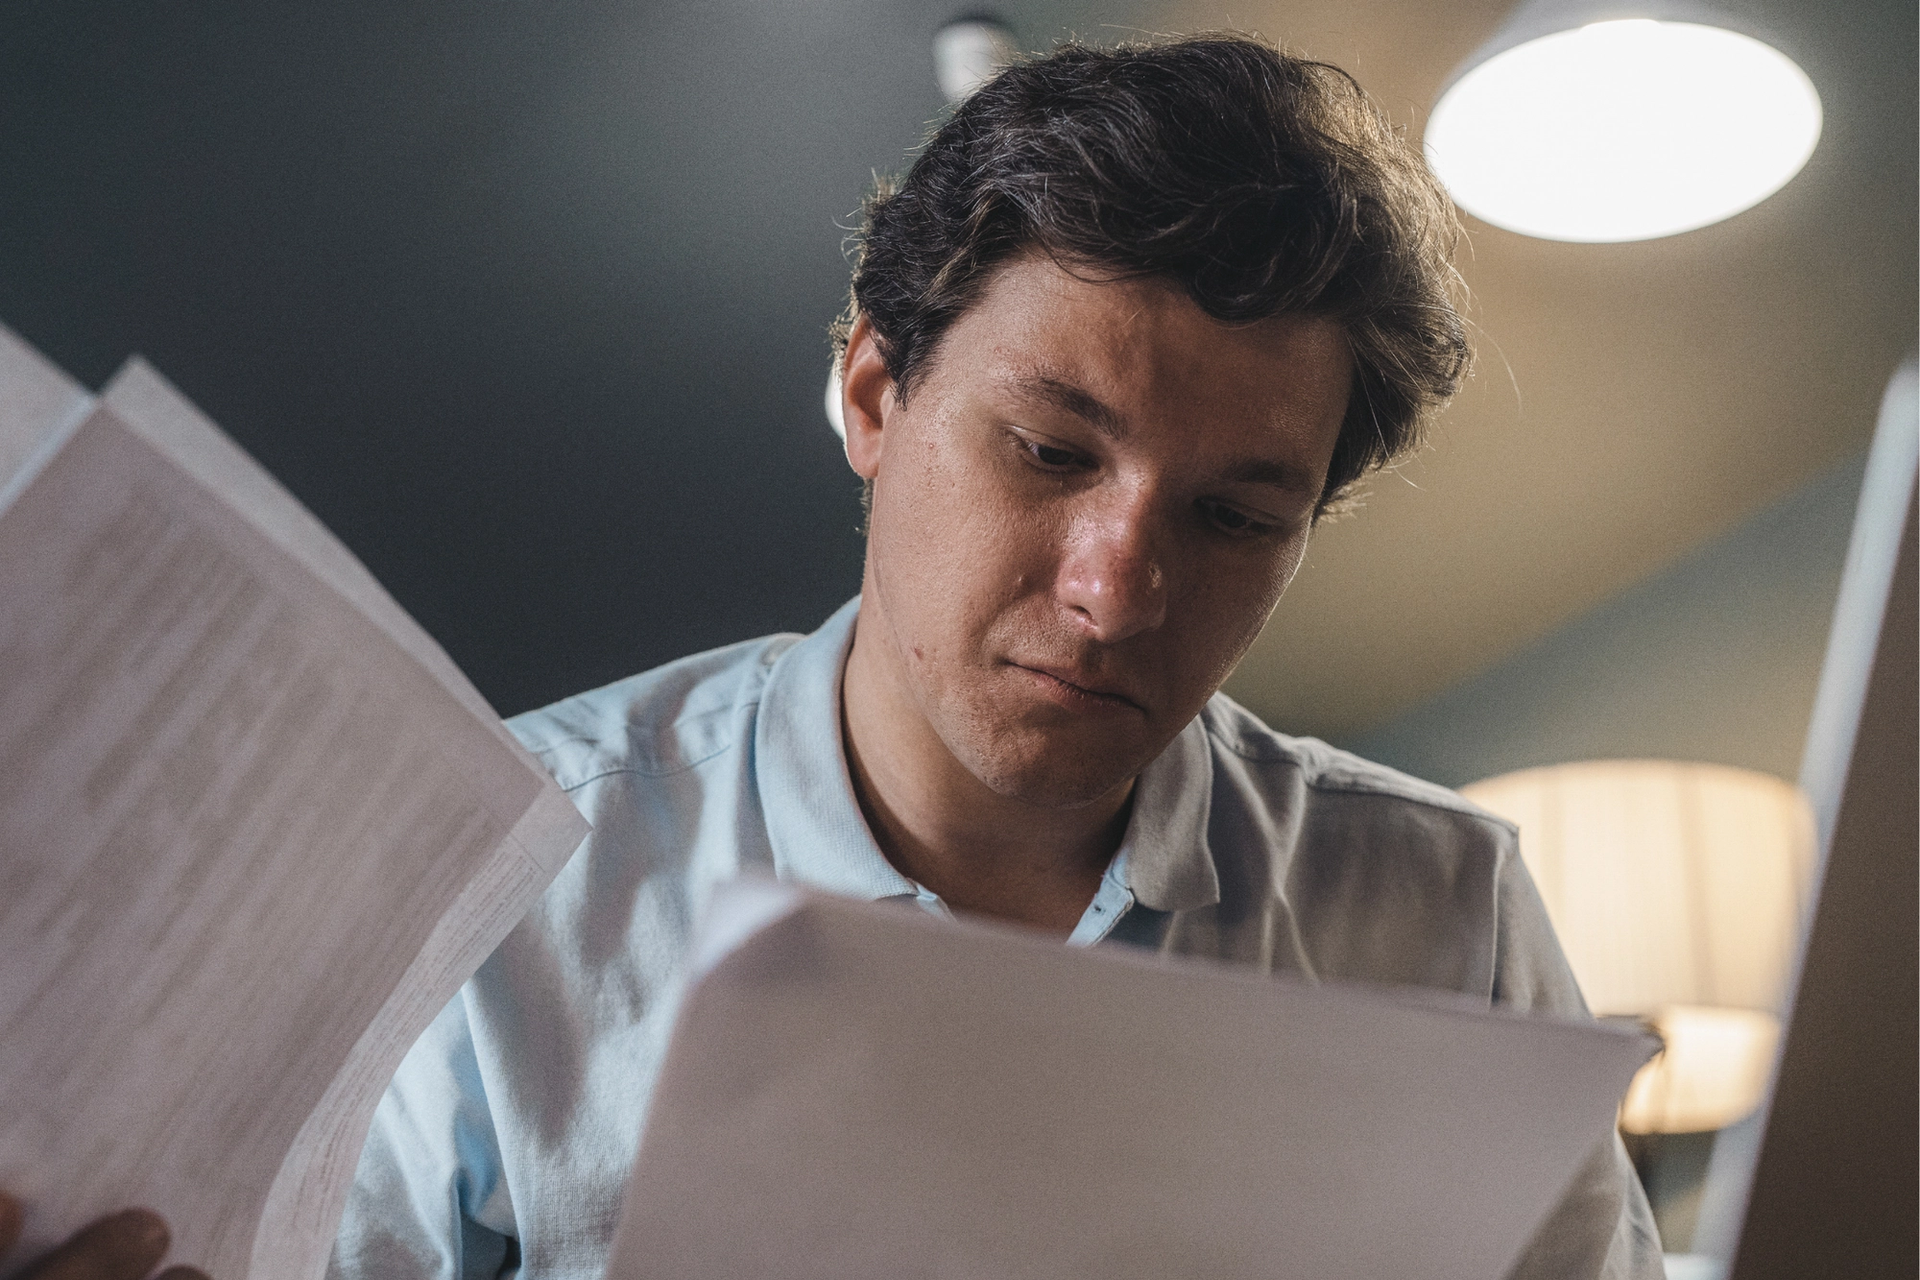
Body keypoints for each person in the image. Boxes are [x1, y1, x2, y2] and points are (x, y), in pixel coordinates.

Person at [11, 32, 1661, 1280]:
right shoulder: (494, 883)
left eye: (1233, 518)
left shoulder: (1446, 916)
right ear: (874, 394)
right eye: (1051, 452)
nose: (1118, 593)